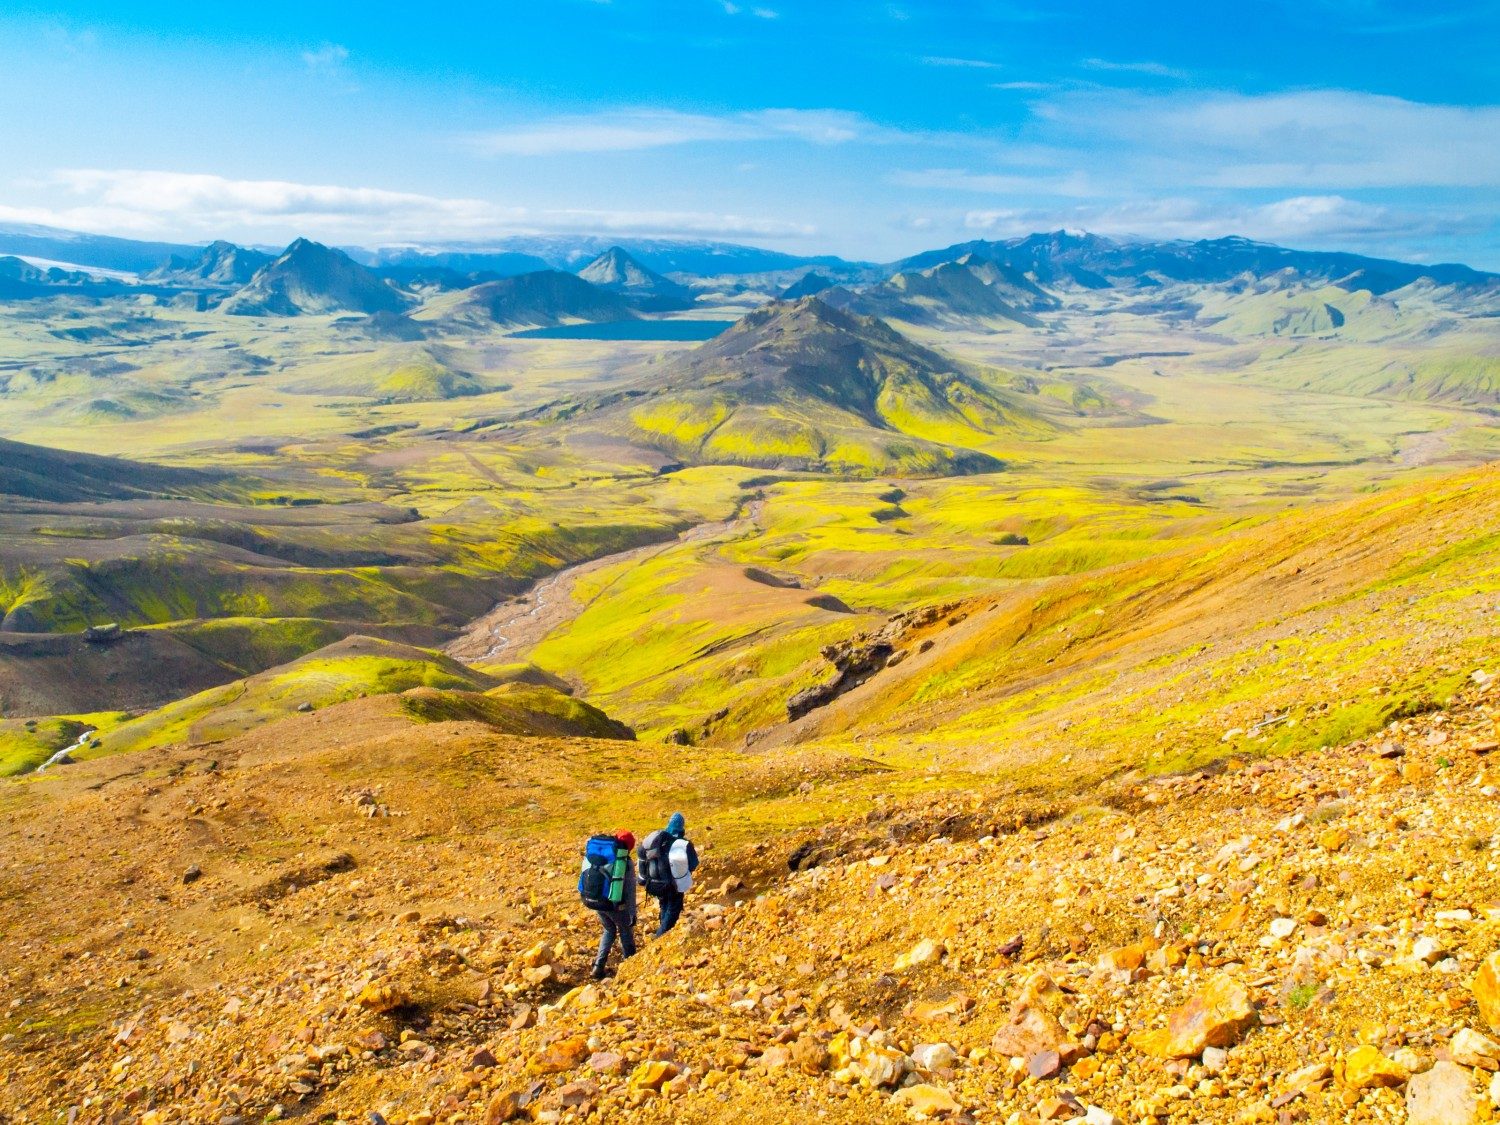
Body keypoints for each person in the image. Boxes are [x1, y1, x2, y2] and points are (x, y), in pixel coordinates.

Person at [582, 830, 637, 980]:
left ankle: (598, 967)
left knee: (609, 929)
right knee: (625, 931)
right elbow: (630, 890)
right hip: (614, 904)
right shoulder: (624, 862)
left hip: (596, 900)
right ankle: (630, 968)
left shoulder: (601, 857)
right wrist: (632, 913)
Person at [638, 812, 699, 937]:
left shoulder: (657, 842)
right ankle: (660, 938)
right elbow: (693, 864)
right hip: (673, 885)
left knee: (664, 905)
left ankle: (661, 932)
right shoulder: (683, 844)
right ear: (682, 827)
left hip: (654, 884)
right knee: (672, 911)